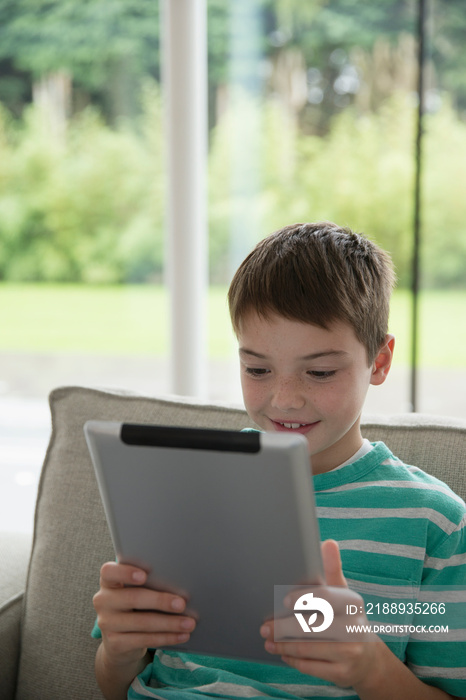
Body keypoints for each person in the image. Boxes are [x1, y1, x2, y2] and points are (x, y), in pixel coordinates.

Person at [92, 222, 466, 700]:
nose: (284, 400)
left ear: (379, 361)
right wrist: (119, 652)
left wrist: (370, 666)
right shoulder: (185, 487)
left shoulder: (434, 522)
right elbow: (111, 684)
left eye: (320, 371)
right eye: (257, 369)